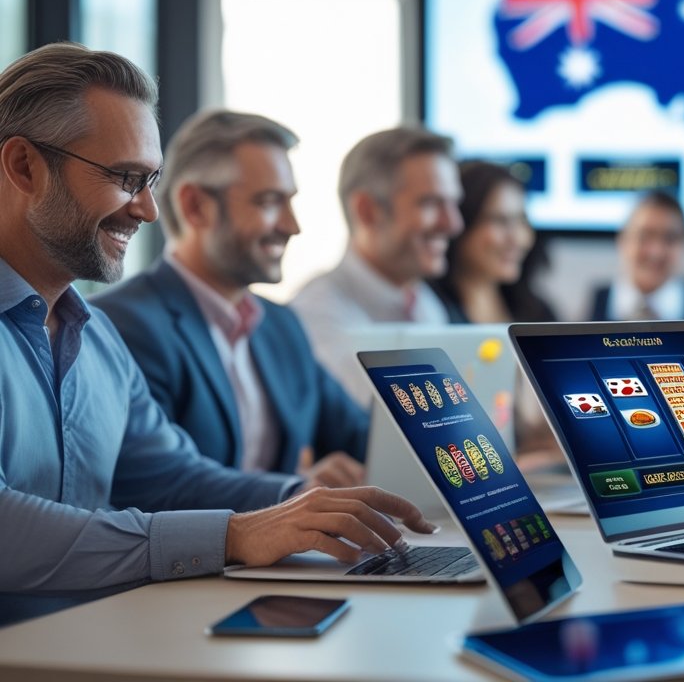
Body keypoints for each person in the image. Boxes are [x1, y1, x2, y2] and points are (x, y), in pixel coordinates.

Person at [0, 43, 433, 627]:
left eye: (150, 181)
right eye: (126, 178)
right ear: (24, 167)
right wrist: (234, 535)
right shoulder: (125, 323)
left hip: (93, 641)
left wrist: (297, 504)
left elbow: (172, 476)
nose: (148, 211)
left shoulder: (96, 337)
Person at [94, 110, 369, 487]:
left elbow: (362, 437)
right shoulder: (121, 325)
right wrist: (294, 492)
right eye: (269, 202)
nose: (292, 226)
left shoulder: (281, 325)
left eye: (290, 202)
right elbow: (161, 484)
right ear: (195, 206)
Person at [291, 125, 465, 339]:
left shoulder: (425, 304)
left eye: (453, 203)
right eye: (430, 203)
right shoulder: (319, 317)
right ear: (367, 211)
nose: (453, 224)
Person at [431, 160, 556, 323]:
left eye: (522, 220)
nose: (518, 238)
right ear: (459, 224)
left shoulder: (536, 311)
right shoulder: (428, 312)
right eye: (499, 221)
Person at [586, 190, 684, 321]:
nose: (656, 252)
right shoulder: (597, 303)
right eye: (644, 236)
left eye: (670, 238)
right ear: (622, 240)